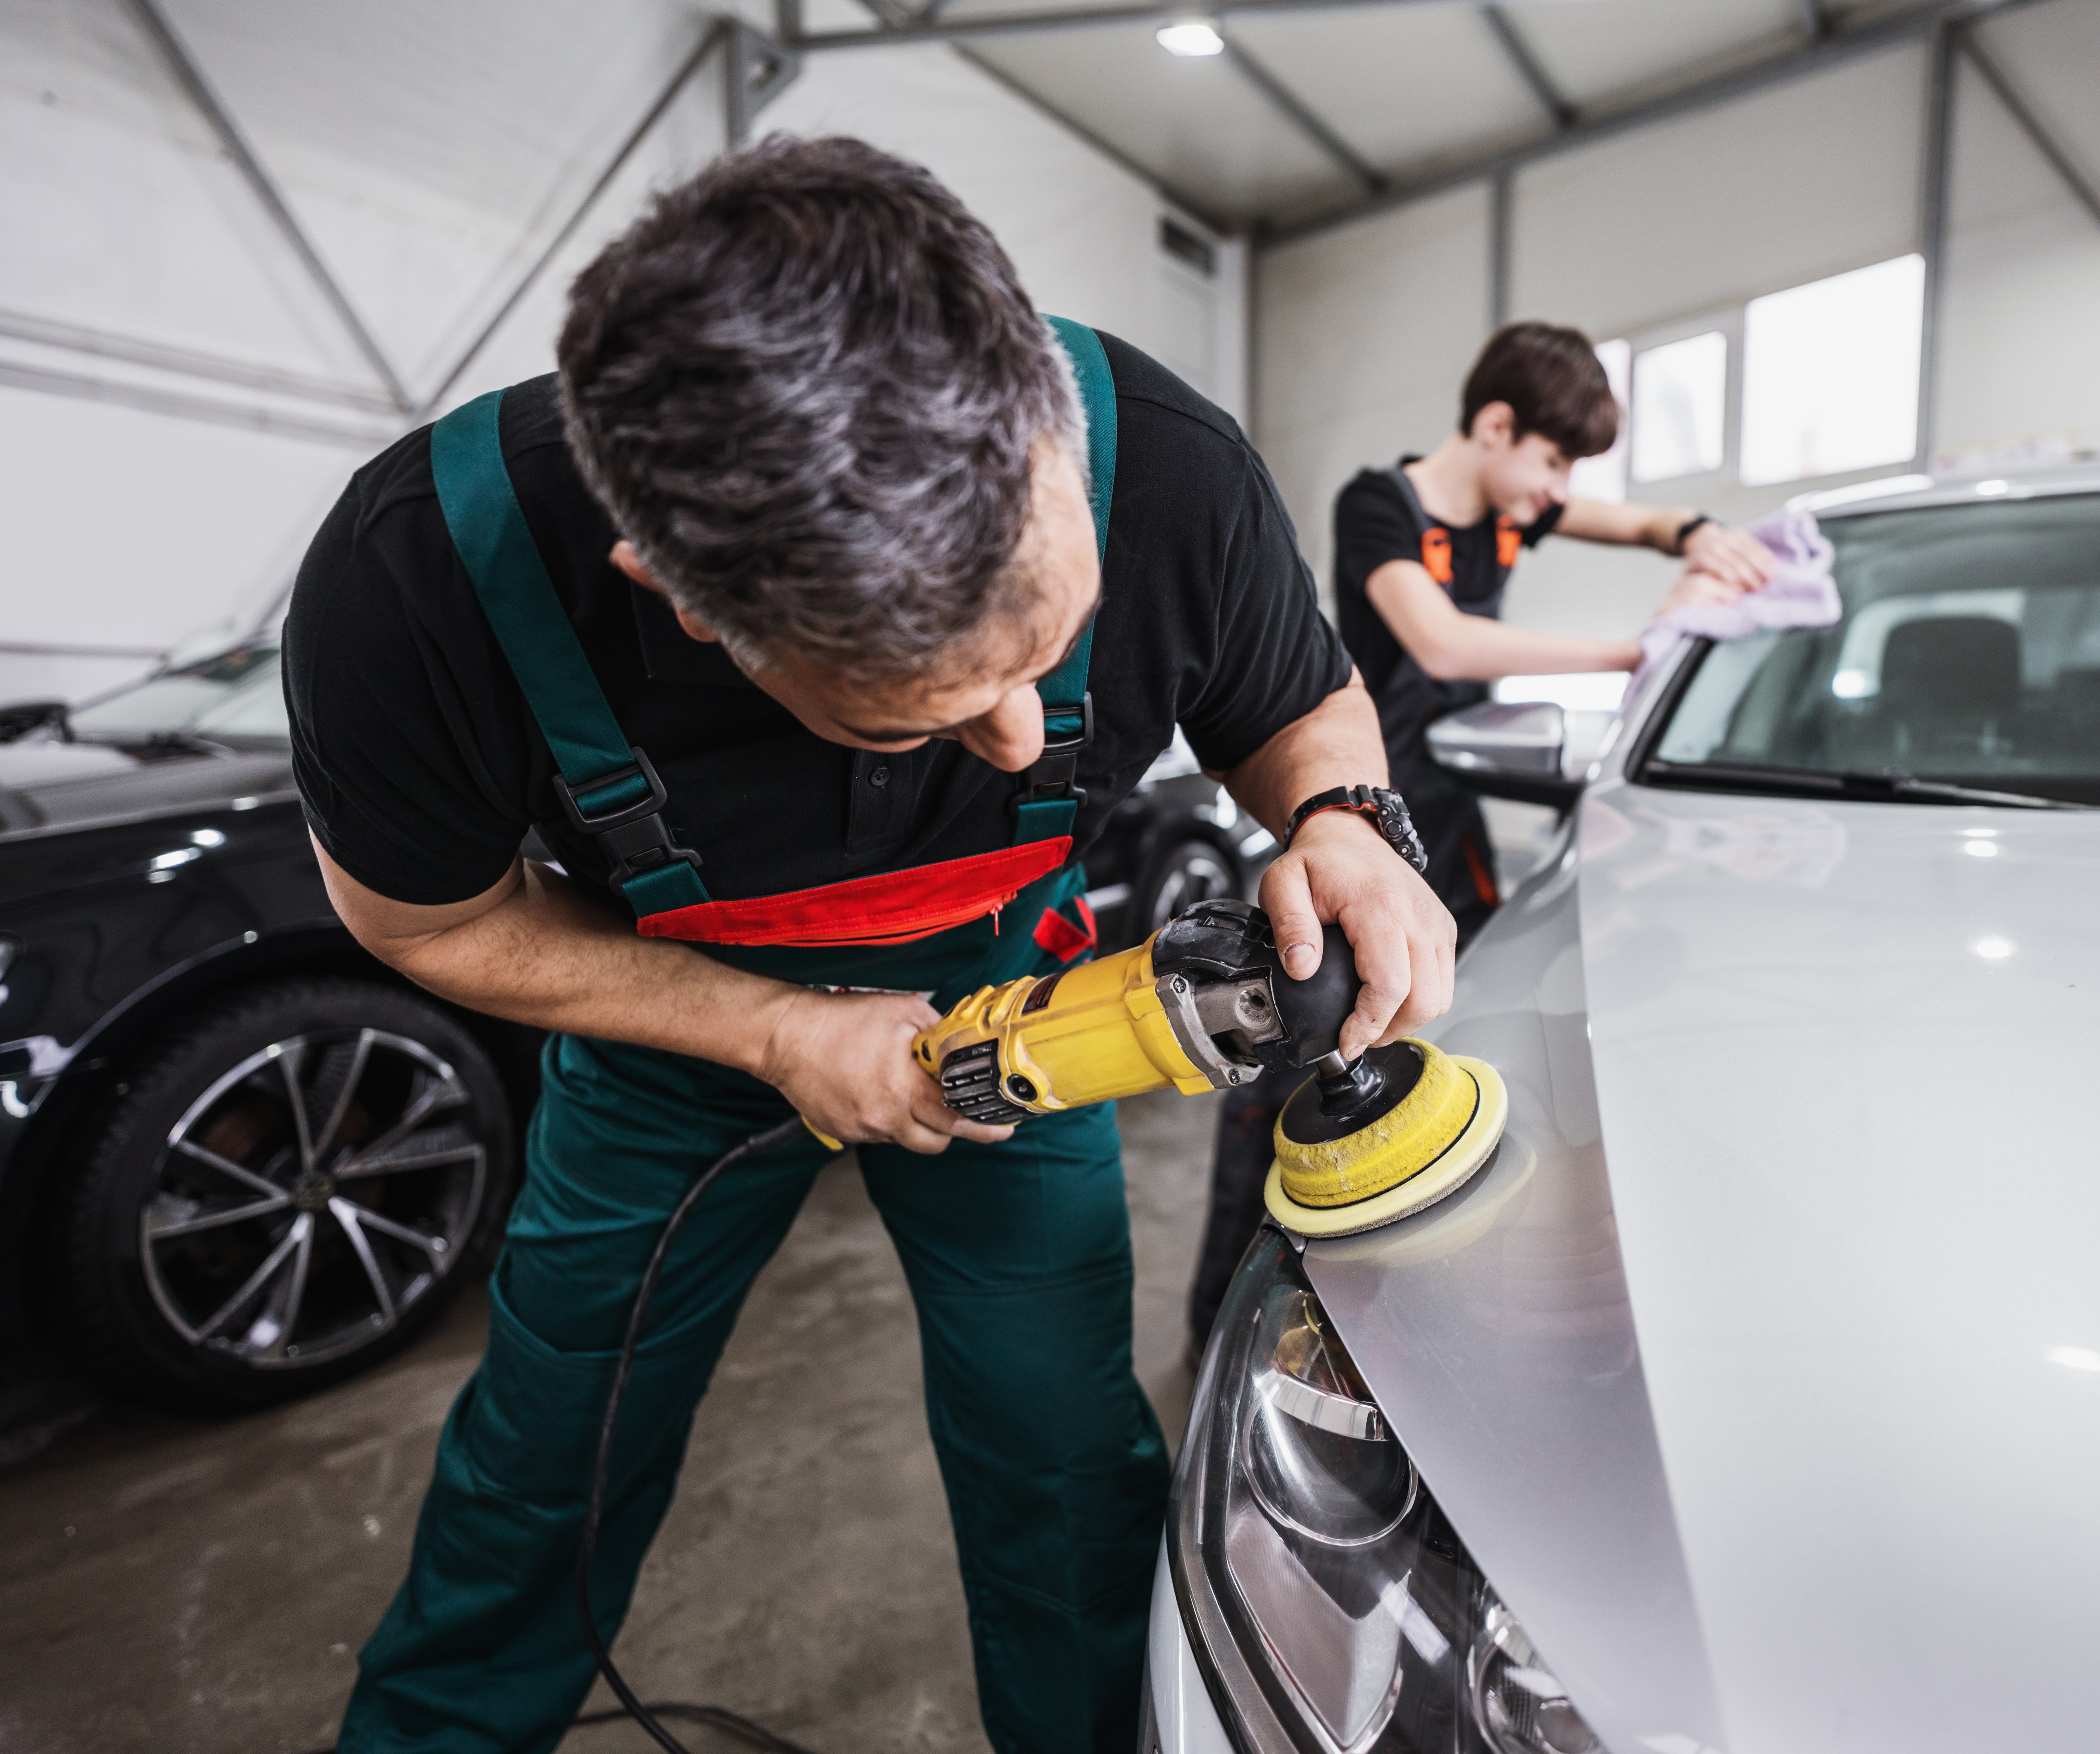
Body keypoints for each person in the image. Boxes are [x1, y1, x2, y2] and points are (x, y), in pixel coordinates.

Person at [286, 137, 1452, 1754]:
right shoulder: (423, 574)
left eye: (1045, 647)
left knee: (1060, 1455)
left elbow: (1303, 706)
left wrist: (1341, 822)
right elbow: (423, 914)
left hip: (1017, 1015)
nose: (1021, 730)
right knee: (549, 1454)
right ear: (685, 601)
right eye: (928, 703)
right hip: (667, 1042)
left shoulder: (1167, 459)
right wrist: (777, 1034)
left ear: (1045, 419)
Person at [1184, 320, 1774, 1354]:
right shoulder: (1385, 505)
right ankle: (1230, 1330)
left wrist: (1693, 531)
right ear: (1496, 426)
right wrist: (1634, 652)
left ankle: (1411, 1315)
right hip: (1354, 833)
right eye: (1551, 461)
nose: (1557, 491)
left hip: (1450, 831)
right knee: (1306, 1062)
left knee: (1457, 1040)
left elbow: (1630, 523)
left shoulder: (1516, 512)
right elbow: (1439, 640)